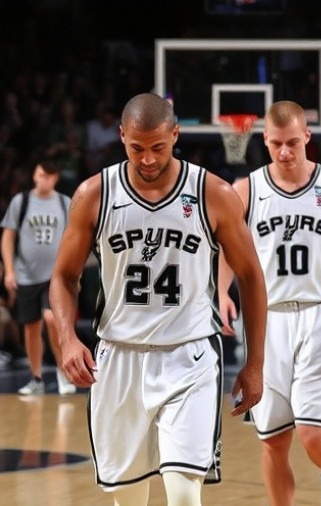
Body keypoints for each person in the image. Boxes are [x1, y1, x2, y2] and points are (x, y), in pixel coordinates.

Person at [49, 92, 267, 505]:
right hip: (118, 358)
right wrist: (67, 338)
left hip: (190, 357)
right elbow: (63, 276)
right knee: (129, 499)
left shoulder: (213, 193)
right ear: (121, 136)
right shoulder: (94, 194)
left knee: (184, 496)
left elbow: (252, 277)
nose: (148, 159)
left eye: (158, 147)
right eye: (137, 148)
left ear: (175, 134)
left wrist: (255, 362)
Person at [218, 100, 321, 506]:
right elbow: (228, 249)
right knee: (273, 440)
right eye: (276, 144)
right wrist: (221, 291)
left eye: (292, 142)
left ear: (307, 136)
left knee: (312, 433)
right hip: (266, 319)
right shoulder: (246, 189)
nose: (285, 151)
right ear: (264, 140)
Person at [1, 159, 75, 395]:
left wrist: (74, 273)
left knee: (52, 319)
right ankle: (36, 378)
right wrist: (9, 271)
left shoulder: (64, 203)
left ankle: (63, 371)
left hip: (55, 276)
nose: (43, 179)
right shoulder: (21, 201)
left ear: (55, 178)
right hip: (26, 275)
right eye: (40, 174)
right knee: (31, 328)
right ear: (34, 175)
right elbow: (8, 237)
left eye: (48, 176)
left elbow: (75, 239)